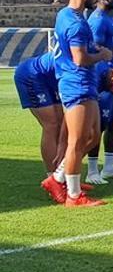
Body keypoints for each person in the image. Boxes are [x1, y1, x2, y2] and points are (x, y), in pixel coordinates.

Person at [50, 0, 109, 207]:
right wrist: (102, 55)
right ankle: (73, 195)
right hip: (76, 82)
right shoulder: (75, 23)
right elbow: (79, 58)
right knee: (77, 141)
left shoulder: (66, 14)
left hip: (84, 82)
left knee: (92, 136)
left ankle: (59, 176)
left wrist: (94, 49)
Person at [85, 0, 113, 186]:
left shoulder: (111, 18)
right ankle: (91, 169)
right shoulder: (98, 20)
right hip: (104, 76)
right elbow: (95, 46)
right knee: (99, 124)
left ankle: (108, 166)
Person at [20, 51, 67, 198]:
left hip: (49, 78)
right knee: (51, 124)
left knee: (59, 124)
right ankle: (53, 178)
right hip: (32, 75)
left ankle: (61, 178)